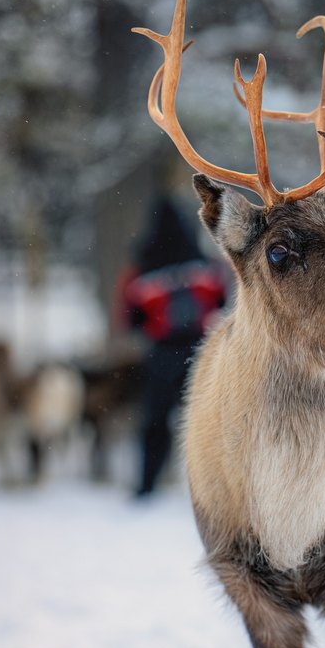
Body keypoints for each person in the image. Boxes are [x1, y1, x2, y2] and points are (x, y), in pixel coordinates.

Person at [119, 191, 224, 498]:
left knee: (154, 422)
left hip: (161, 354)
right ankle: (214, 488)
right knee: (203, 423)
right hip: (197, 350)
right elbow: (219, 300)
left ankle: (147, 484)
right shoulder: (201, 263)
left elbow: (131, 319)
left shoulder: (143, 269)